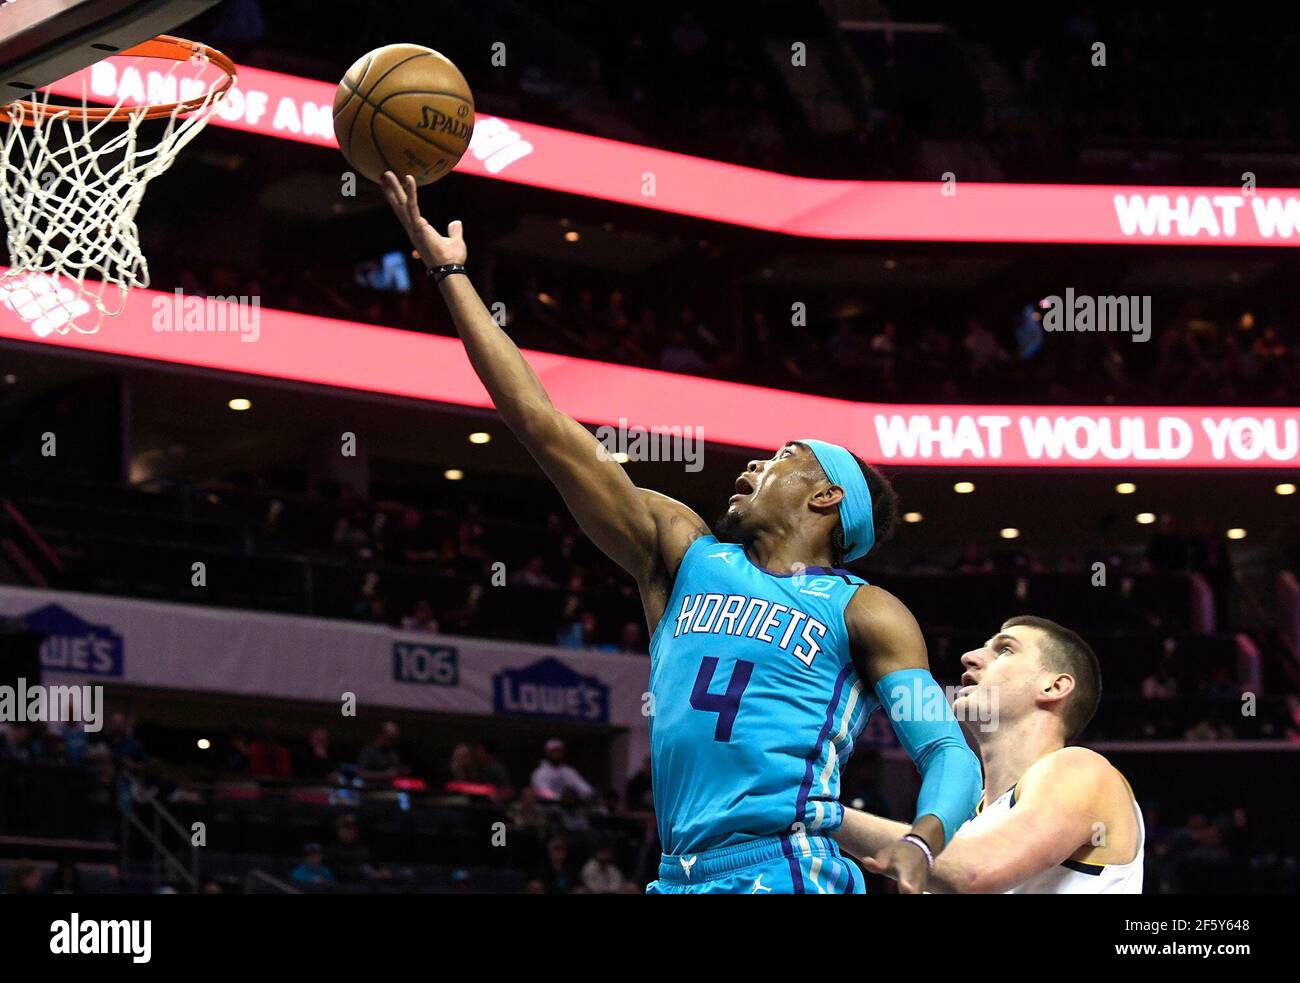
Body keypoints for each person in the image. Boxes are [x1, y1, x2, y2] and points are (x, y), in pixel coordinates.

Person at [381, 173, 981, 894]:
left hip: (786, 865)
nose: (758, 460)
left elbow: (946, 746)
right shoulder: (681, 551)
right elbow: (544, 427)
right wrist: (449, 273)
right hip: (679, 872)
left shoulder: (864, 610)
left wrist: (923, 838)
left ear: (826, 497)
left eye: (786, 455)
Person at [834, 616, 1144, 894]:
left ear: (1054, 686)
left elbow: (975, 872)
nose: (969, 658)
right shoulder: (963, 828)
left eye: (1005, 650)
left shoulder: (1081, 768)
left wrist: (816, 814)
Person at [530, 739, 594, 802]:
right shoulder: (540, 772)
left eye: (559, 751)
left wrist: (589, 793)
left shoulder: (568, 771)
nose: (557, 754)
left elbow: (582, 786)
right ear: (547, 753)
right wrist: (560, 798)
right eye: (554, 751)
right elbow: (542, 792)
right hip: (547, 806)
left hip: (571, 805)